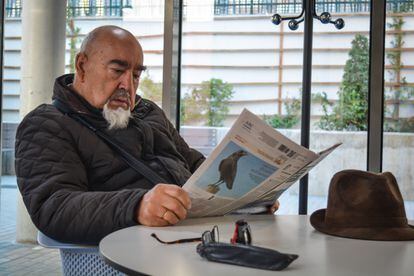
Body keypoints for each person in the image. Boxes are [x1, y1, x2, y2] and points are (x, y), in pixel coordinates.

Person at [15, 25, 278, 245]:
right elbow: (54, 207)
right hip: (133, 252)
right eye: (117, 71)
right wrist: (137, 206)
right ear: (82, 66)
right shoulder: (46, 125)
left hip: (197, 237)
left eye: (136, 75)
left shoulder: (147, 110)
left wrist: (247, 195)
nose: (127, 86)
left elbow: (193, 164)